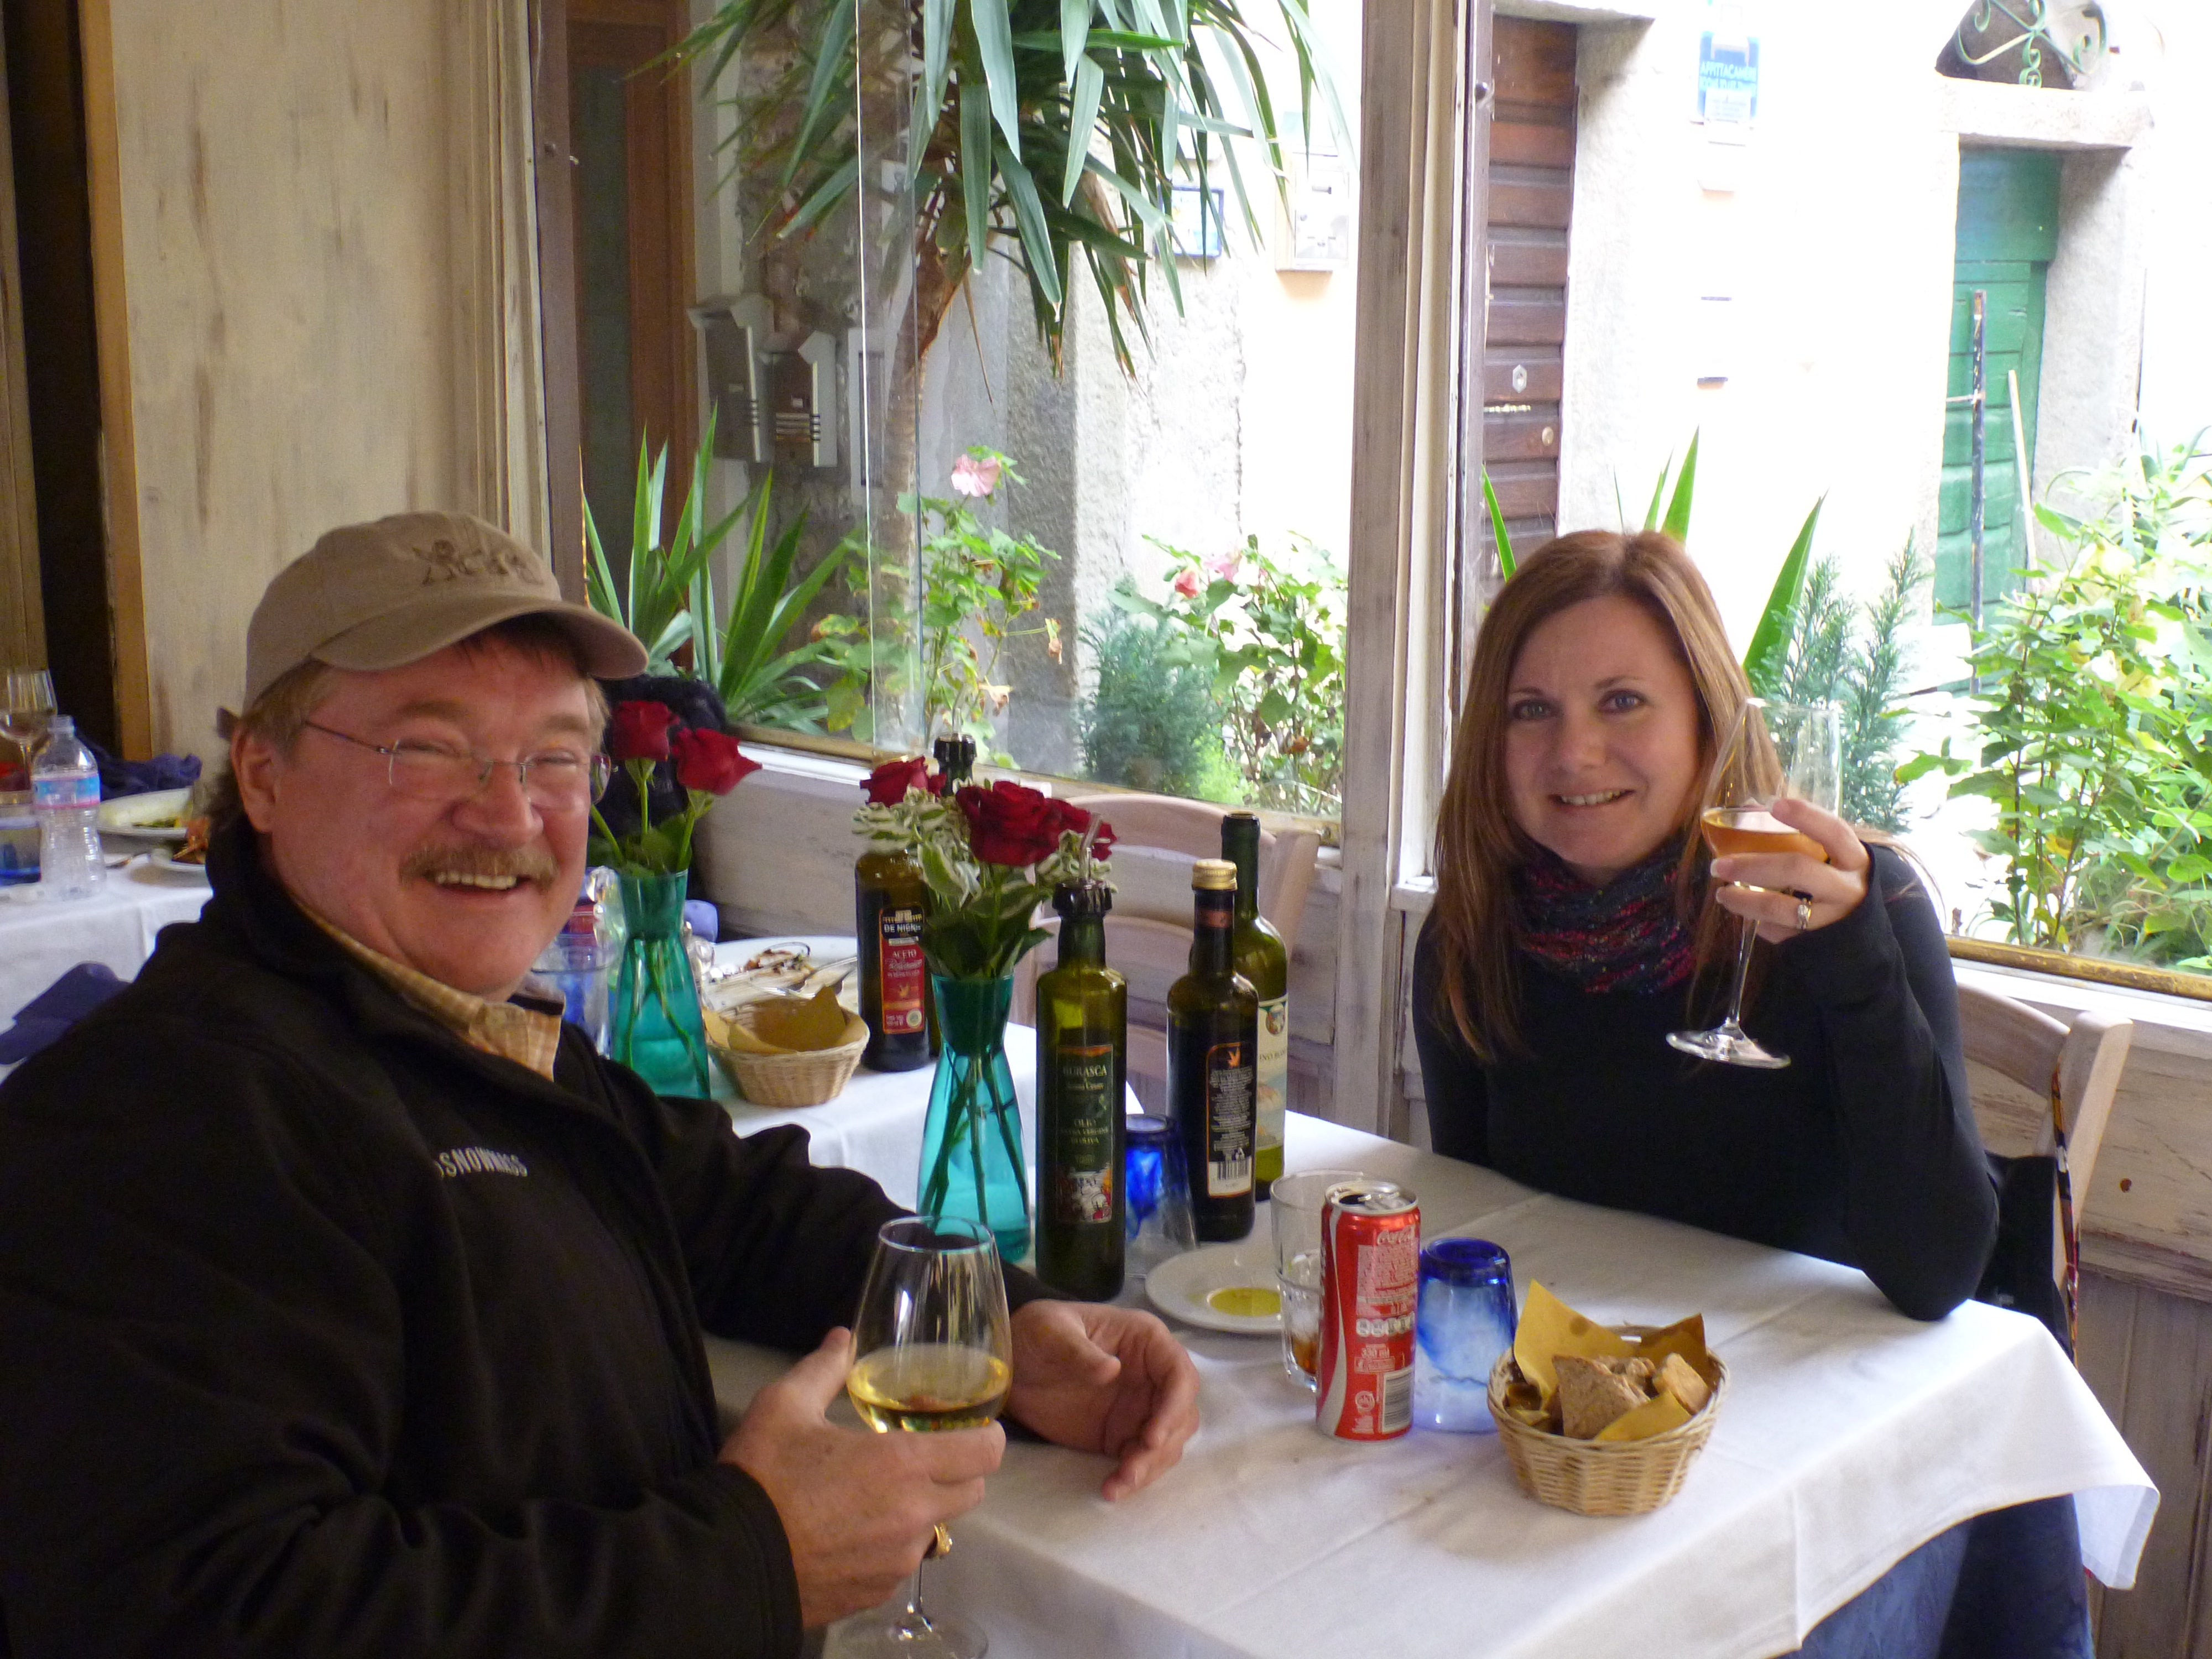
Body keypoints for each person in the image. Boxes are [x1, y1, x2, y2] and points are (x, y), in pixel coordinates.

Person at [0, 512, 1199, 1658]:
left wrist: (997, 1321)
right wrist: (748, 1561)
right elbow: (205, 1619)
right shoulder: (154, 1122)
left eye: (554, 758)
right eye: (429, 748)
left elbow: (723, 1205)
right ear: (262, 775)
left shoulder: (452, 1027)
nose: (507, 812)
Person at [1412, 529, 1997, 1321]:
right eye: (1532, 710)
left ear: (1707, 719)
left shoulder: (1857, 907)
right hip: (1573, 1387)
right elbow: (1476, 1232)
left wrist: (1856, 966)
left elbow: (1937, 1271)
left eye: (1622, 701)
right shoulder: (1475, 930)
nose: (1574, 752)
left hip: (1810, 1380)